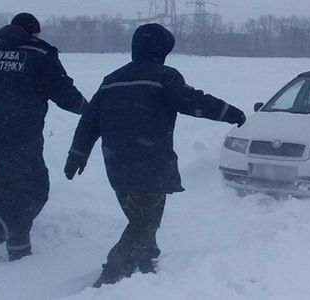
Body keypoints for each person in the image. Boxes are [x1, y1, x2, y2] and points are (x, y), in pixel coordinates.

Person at [63, 23, 246, 288]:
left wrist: (77, 154)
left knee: (139, 219)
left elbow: (90, 121)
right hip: (149, 163)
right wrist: (232, 113)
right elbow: (193, 101)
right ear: (160, 50)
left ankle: (145, 265)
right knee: (144, 224)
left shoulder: (112, 79)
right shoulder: (163, 76)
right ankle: (110, 280)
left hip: (116, 163)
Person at [0, 13, 87, 263]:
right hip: (21, 139)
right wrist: (90, 111)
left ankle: (20, 256)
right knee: (32, 197)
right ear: (34, 32)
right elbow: (64, 94)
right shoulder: (39, 53)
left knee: (8, 201)